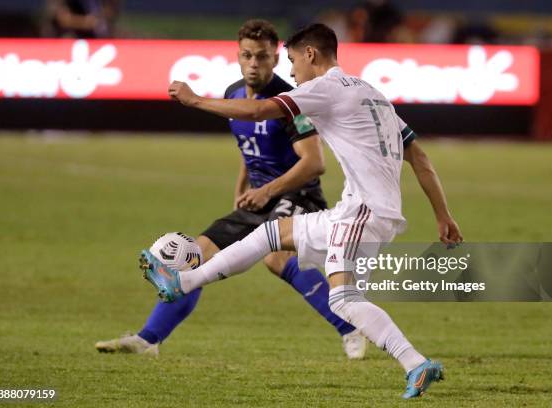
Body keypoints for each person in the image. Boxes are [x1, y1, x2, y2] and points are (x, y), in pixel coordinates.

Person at [150, 23, 464, 399]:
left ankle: (415, 363)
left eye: (293, 60)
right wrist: (443, 215)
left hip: (362, 213)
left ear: (311, 55)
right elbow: (421, 159)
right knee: (272, 234)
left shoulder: (323, 89)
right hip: (358, 210)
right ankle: (184, 282)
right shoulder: (372, 93)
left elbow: (260, 110)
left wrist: (195, 100)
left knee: (344, 300)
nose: (292, 71)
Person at [96, 19, 368, 360]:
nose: (254, 64)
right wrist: (243, 185)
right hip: (259, 198)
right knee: (192, 256)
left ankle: (350, 327)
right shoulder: (233, 94)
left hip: (297, 196)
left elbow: (313, 163)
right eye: (247, 56)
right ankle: (149, 339)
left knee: (276, 257)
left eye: (263, 57)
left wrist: (267, 190)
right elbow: (250, 147)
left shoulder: (291, 101)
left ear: (275, 58)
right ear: (238, 57)